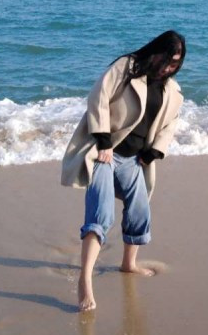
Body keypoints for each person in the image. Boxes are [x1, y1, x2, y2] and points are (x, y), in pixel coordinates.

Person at [61, 31, 185, 311]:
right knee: (100, 214)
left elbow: (170, 124)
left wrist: (154, 152)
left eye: (175, 64)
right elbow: (99, 98)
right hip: (105, 153)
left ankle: (129, 264)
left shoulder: (172, 91)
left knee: (140, 212)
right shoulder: (127, 67)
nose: (168, 68)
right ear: (155, 53)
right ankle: (85, 280)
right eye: (166, 61)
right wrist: (104, 141)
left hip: (134, 160)